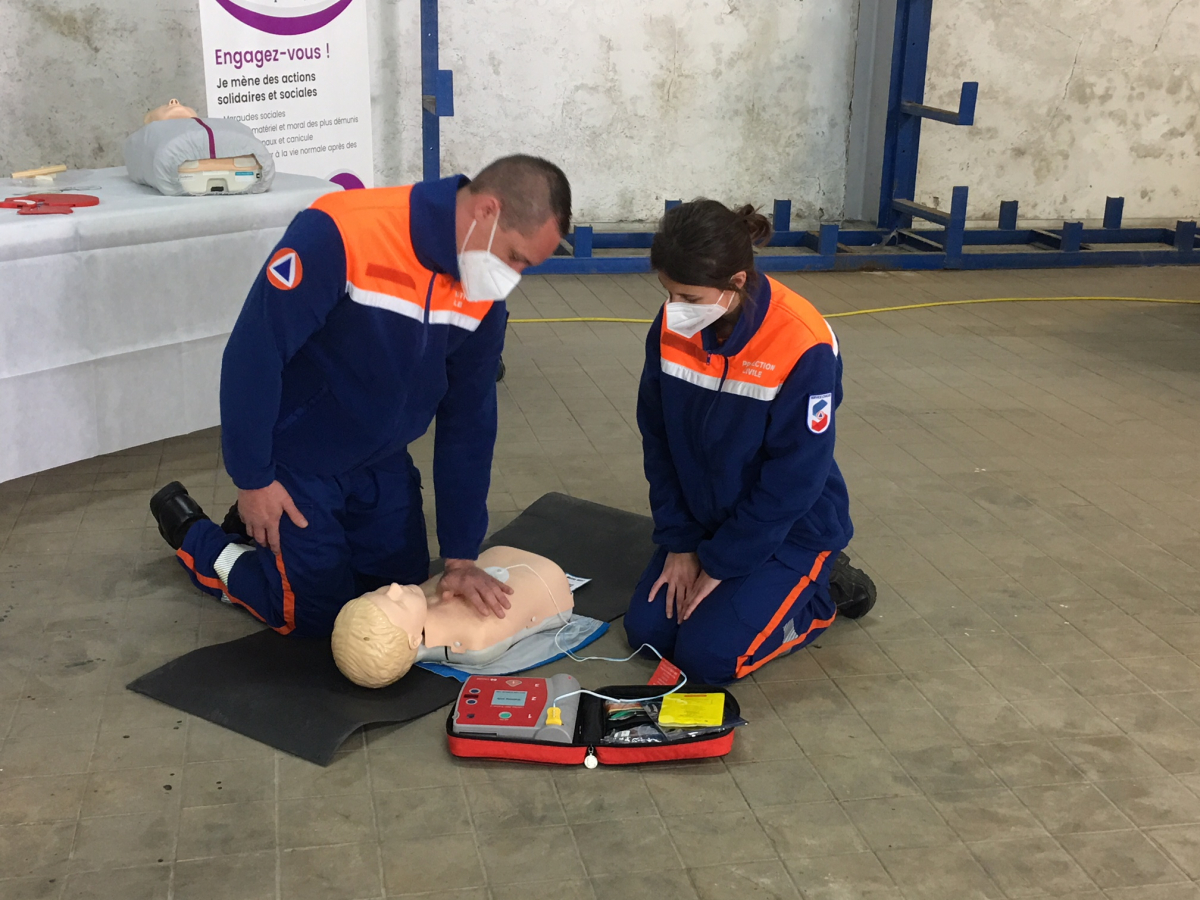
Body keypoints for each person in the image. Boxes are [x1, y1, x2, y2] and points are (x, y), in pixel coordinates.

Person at [149, 156, 571, 637]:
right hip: (300, 462)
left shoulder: (483, 294)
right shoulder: (340, 233)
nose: (514, 275)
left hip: (381, 462)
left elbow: (469, 419)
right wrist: (253, 479)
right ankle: (199, 537)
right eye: (516, 257)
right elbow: (254, 354)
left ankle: (270, 536)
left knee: (397, 605)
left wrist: (460, 556)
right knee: (318, 622)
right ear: (487, 213)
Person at [624, 199, 875, 686]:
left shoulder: (803, 345)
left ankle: (823, 593)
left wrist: (721, 565)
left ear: (736, 282)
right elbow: (657, 438)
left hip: (790, 529)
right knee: (649, 635)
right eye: (667, 293)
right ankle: (749, 588)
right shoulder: (675, 324)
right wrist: (680, 544)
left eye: (689, 298)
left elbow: (795, 478)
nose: (674, 310)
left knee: (706, 660)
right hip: (705, 522)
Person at [331, 546, 574, 688]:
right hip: (545, 578)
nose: (394, 587)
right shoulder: (474, 640)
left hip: (506, 560)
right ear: (414, 642)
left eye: (380, 593)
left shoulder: (415, 601)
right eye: (398, 602)